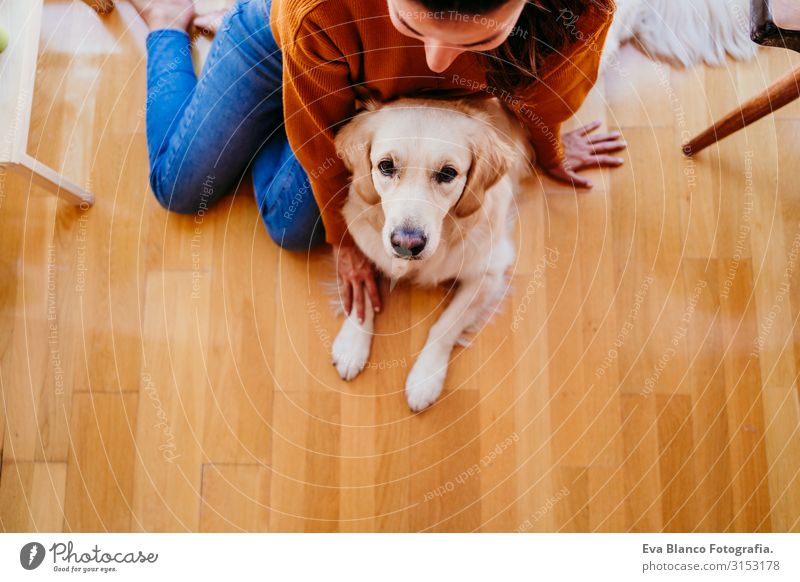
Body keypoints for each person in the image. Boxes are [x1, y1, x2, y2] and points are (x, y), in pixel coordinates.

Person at [131, 0, 626, 323]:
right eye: (411, 24)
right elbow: (311, 130)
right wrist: (343, 240)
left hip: (362, 104)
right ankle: (168, 22)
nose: (435, 61)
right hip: (294, 37)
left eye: (477, 42)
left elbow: (546, 96)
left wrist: (548, 150)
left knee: (289, 227)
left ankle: (277, 96)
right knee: (177, 189)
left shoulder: (578, 10)